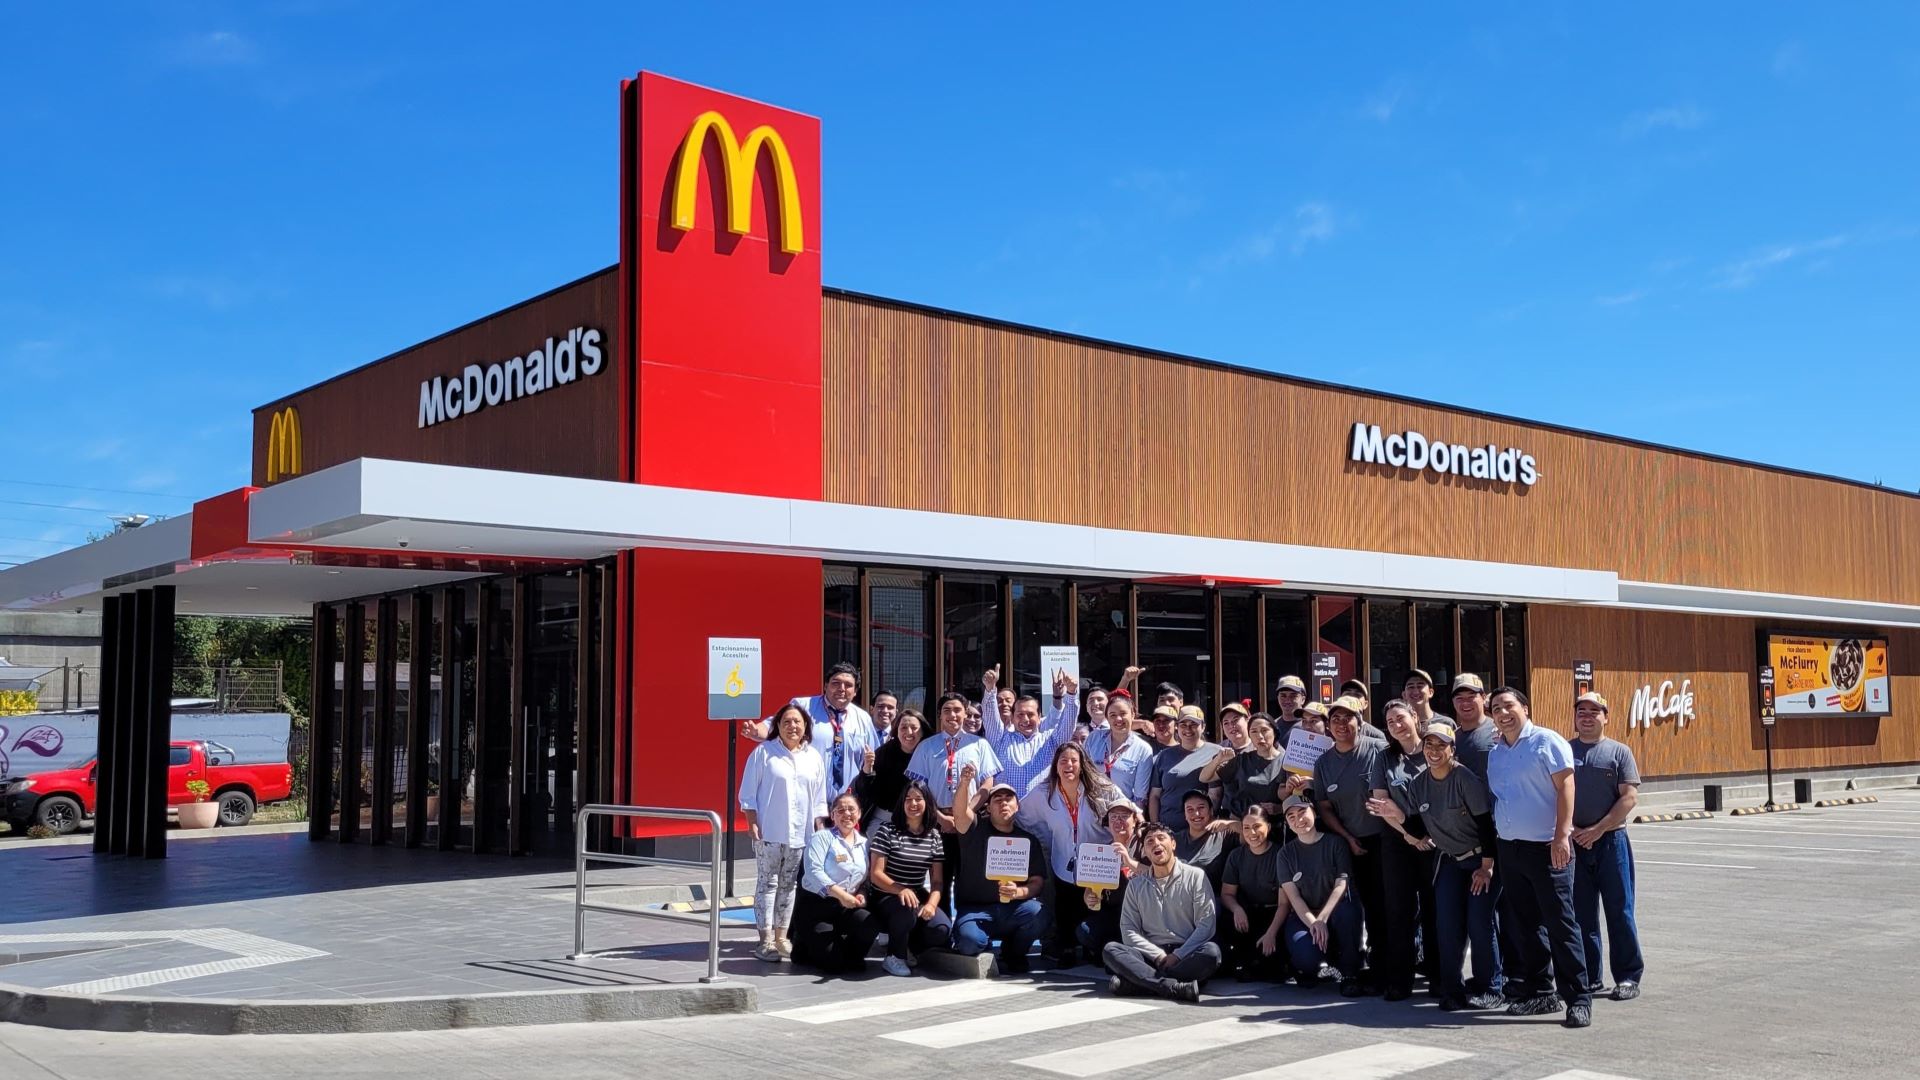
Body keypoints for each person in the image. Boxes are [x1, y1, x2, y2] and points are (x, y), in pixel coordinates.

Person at [1368, 719, 1505, 1012]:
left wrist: (1487, 867)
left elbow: (1485, 827)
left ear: (1452, 749)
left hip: (1481, 860)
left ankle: (1491, 987)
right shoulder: (1419, 784)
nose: (1433, 750)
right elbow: (1419, 829)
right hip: (1450, 862)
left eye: (1440, 745)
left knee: (1480, 924)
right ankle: (1450, 989)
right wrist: (1398, 816)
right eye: (1429, 744)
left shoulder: (1465, 779)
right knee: (1447, 926)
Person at [1486, 687, 1592, 1028]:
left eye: (1509, 705)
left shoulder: (1547, 741)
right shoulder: (1496, 751)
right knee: (1526, 925)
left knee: (1561, 923)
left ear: (1526, 708)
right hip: (1510, 848)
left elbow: (1566, 787)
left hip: (1546, 848)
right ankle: (1541, 993)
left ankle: (1578, 998)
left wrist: (1562, 835)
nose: (1503, 712)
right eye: (1496, 708)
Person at [738, 702, 830, 962]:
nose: (792, 726)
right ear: (777, 726)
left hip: (801, 835)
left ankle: (781, 937)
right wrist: (751, 820)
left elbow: (819, 798)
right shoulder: (763, 753)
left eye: (797, 722)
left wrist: (819, 827)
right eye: (786, 721)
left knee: (789, 885)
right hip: (770, 831)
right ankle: (765, 940)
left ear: (805, 727)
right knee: (767, 884)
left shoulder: (813, 757)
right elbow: (748, 793)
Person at [1310, 695, 1388, 992]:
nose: (1342, 725)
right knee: (1351, 907)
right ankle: (1352, 968)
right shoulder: (1324, 763)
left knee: (1382, 907)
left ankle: (1385, 968)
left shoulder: (1379, 751)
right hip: (1346, 842)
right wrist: (1347, 838)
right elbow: (1325, 806)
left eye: (1348, 718)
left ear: (1361, 722)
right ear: (1328, 726)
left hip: (1383, 841)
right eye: (1336, 720)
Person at [1570, 691, 1644, 1001]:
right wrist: (1571, 830)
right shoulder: (1563, 750)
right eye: (1581, 711)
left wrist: (1598, 830)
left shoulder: (1619, 752)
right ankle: (1589, 977)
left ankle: (1627, 977)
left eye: (1594, 711)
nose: (1587, 716)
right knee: (1581, 915)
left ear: (1606, 716)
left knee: (1620, 912)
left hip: (1611, 843)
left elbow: (1629, 797)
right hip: (1574, 844)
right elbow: (1552, 793)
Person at [1019, 742, 1119, 963]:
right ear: (1055, 766)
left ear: (1082, 765)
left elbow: (1125, 808)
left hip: (1098, 864)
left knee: (1093, 905)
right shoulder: (1044, 792)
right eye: (1063, 761)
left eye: (1074, 760)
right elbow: (1022, 815)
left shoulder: (1101, 787)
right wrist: (1044, 840)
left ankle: (1093, 946)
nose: (1069, 765)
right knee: (1065, 906)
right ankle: (1067, 946)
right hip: (1064, 861)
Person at [1102, 822, 1222, 1001]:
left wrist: (1178, 955)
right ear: (1145, 851)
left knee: (1212, 953)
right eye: (1149, 841)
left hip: (1185, 952)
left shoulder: (1195, 876)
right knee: (1111, 950)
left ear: (1173, 844)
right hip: (1150, 955)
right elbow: (1128, 930)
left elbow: (1206, 925)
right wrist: (1158, 955)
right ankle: (1173, 987)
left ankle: (1140, 982)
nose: (1156, 844)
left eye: (1161, 838)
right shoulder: (1136, 884)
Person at [951, 768, 1048, 973]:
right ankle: (974, 940)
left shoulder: (1028, 840)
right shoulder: (974, 828)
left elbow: (1037, 882)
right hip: (975, 909)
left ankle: (1013, 953)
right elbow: (960, 814)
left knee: (1039, 914)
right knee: (970, 943)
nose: (1003, 803)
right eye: (997, 800)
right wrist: (964, 783)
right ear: (989, 807)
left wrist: (1020, 892)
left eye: (1008, 799)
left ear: (1017, 806)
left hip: (1013, 909)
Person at [1373, 698, 1436, 1001]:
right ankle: (1399, 981)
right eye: (1390, 722)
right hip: (1399, 841)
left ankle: (1440, 978)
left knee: (1435, 911)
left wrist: (1424, 834)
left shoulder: (1434, 748)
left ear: (1414, 715)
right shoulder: (1385, 758)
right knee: (1398, 912)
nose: (1396, 725)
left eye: (1401, 718)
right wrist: (1409, 834)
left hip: (1436, 839)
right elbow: (1380, 803)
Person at [740, 662, 879, 799]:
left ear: (855, 692)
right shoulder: (803, 706)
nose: (841, 689)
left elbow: (874, 757)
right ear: (825, 686)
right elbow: (773, 726)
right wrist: (756, 731)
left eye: (848, 685)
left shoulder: (863, 718)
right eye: (836, 683)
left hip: (846, 806)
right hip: (807, 798)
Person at [1277, 795, 1364, 994]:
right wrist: (1314, 923)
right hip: (1305, 916)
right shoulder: (1285, 854)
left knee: (1348, 912)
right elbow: (1294, 897)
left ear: (1314, 813)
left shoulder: (1336, 844)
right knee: (1306, 957)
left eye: (1302, 812)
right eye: (1291, 817)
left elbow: (1341, 884)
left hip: (1334, 912)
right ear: (1287, 823)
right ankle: (1310, 967)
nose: (1298, 819)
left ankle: (1350, 974)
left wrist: (1323, 919)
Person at [867, 778, 952, 976]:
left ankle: (909, 947)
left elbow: (938, 881)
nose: (913, 804)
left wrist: (931, 904)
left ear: (927, 803)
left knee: (941, 928)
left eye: (918, 799)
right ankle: (894, 957)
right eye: (908, 799)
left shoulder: (934, 836)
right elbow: (876, 874)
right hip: (885, 895)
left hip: (914, 894)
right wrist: (900, 889)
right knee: (906, 907)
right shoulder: (887, 831)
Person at [791, 792, 883, 974]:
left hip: (847, 906)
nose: (846, 814)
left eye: (851, 810)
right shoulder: (822, 838)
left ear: (859, 813)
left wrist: (862, 894)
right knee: (832, 963)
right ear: (832, 816)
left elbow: (867, 878)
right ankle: (804, 943)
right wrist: (841, 895)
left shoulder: (865, 843)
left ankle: (848, 954)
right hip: (817, 906)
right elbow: (813, 871)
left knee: (869, 924)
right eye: (840, 810)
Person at [981, 665, 1080, 797]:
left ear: (1039, 717)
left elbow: (1067, 724)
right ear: (1012, 717)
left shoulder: (1051, 739)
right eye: (1020, 714)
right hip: (1008, 813)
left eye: (1030, 714)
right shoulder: (1001, 738)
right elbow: (990, 717)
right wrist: (990, 689)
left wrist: (1071, 693)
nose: (1025, 719)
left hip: (1043, 813)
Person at [1220, 805, 1289, 981]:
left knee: (1273, 970)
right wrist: (1237, 909)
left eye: (1257, 826)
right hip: (1248, 914)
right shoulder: (1236, 856)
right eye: (1246, 828)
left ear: (1268, 827)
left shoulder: (1280, 855)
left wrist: (1271, 933)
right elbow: (1227, 894)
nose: (1252, 833)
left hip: (1275, 915)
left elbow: (1284, 903)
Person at [1077, 799, 1145, 962]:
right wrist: (1089, 898)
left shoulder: (1145, 844)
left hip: (1142, 915)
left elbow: (1157, 874)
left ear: (1134, 820)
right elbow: (1089, 890)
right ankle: (1110, 954)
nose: (1118, 821)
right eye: (1114, 817)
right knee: (1084, 931)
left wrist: (1129, 861)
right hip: (1113, 913)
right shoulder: (1101, 850)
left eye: (1124, 816)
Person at [859, 707, 930, 832]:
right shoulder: (885, 752)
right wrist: (867, 770)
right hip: (884, 820)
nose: (908, 732)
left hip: (919, 821)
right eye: (903, 727)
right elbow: (865, 790)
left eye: (914, 728)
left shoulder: (931, 753)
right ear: (896, 731)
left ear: (923, 731)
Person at [1148, 706, 1222, 825]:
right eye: (1183, 724)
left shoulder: (1217, 752)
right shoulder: (1164, 756)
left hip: (1201, 828)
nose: (1188, 729)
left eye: (1193, 724)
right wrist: (1155, 825)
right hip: (1168, 828)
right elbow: (1155, 795)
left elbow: (1217, 794)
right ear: (1177, 727)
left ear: (1203, 727)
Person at [1204, 712, 1288, 817]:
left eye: (1264, 730)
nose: (1260, 736)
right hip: (1243, 824)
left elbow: (1296, 797)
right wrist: (1218, 759)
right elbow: (1205, 777)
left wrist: (1279, 809)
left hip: (1273, 825)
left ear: (1274, 732)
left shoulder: (1285, 761)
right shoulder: (1242, 759)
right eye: (1254, 732)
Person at [1085, 692, 1155, 806]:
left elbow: (1140, 797)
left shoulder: (1143, 749)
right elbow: (1083, 775)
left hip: (1122, 813)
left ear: (1132, 715)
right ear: (1106, 717)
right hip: (1092, 811)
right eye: (1112, 715)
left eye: (1123, 714)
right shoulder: (1094, 738)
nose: (1118, 719)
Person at [1172, 788, 1240, 896]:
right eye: (1190, 809)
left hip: (1210, 898)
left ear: (1211, 810)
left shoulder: (1224, 836)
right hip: (1179, 897)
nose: (1196, 813)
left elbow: (1251, 833)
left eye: (1201, 807)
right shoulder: (1175, 839)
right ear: (1185, 815)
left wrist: (1230, 824)